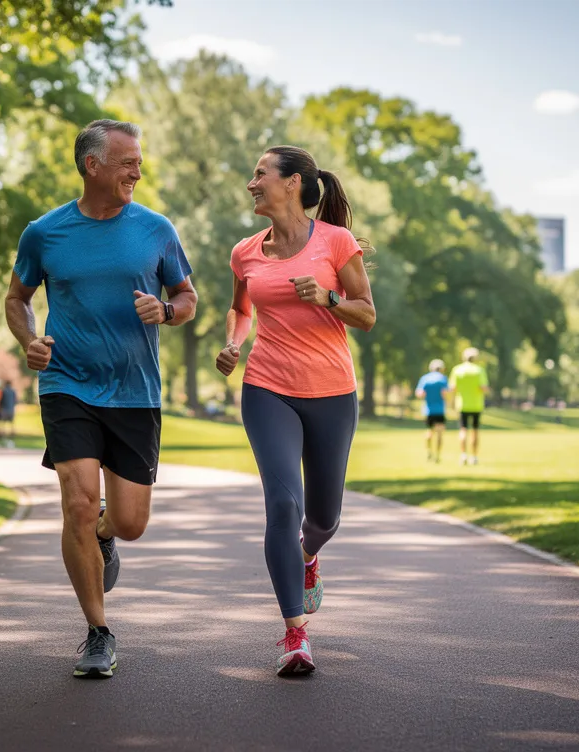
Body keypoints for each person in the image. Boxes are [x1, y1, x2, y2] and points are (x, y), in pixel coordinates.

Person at [4, 119, 197, 679]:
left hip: (135, 390)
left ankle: (107, 534)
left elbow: (186, 296)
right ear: (92, 166)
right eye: (127, 162)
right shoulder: (44, 233)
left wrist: (166, 310)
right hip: (67, 383)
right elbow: (17, 298)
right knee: (78, 502)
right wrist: (29, 339)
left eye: (139, 162)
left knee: (130, 522)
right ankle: (98, 631)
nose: (137, 172)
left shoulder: (156, 229)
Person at [215, 145, 376, 677]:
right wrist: (234, 344)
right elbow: (240, 309)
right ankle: (295, 634)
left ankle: (309, 555)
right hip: (268, 389)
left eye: (260, 173)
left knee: (323, 518)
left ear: (292, 183)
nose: (251, 183)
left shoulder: (336, 241)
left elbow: (367, 314)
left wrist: (327, 299)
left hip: (332, 391)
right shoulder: (245, 252)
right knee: (283, 506)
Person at [451, 347, 490, 465]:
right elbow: (483, 387)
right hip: (476, 405)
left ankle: (463, 455)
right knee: (475, 431)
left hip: (462, 405)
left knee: (463, 430)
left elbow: (453, 388)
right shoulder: (479, 370)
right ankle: (474, 457)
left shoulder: (457, 370)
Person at [415, 359, 449, 463]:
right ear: (441, 369)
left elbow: (419, 393)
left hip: (428, 410)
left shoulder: (425, 378)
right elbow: (446, 393)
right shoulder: (443, 379)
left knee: (429, 432)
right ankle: (437, 455)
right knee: (439, 433)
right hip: (440, 410)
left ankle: (429, 452)